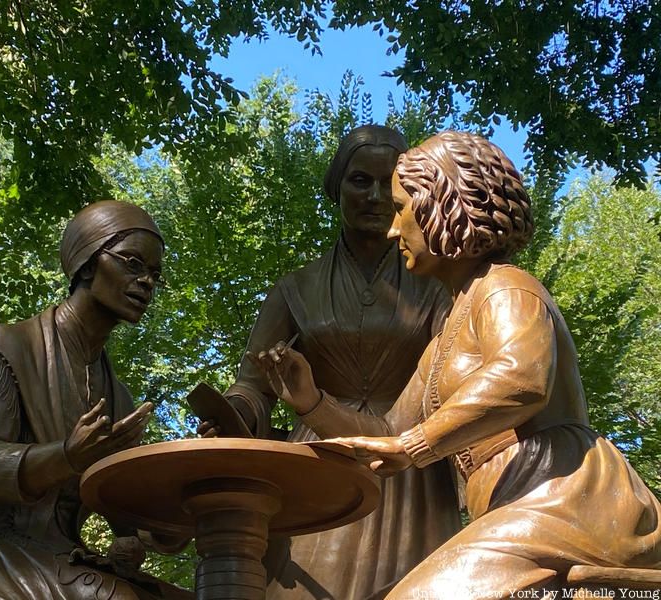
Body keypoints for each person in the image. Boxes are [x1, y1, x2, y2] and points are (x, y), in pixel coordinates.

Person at [255, 132, 661, 598]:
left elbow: (521, 379)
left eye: (403, 209)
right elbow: (387, 433)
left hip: (567, 500)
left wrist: (415, 446)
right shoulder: (446, 337)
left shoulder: (507, 288)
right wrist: (311, 402)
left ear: (441, 207)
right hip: (520, 510)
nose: (392, 229)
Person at [199, 125, 462, 599]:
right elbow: (252, 383)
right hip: (320, 461)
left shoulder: (438, 286)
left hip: (407, 467)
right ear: (336, 187)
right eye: (360, 181)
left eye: (390, 184)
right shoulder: (295, 288)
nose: (376, 196)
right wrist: (232, 414)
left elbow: (454, 380)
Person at [0, 201, 190, 600]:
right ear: (87, 264)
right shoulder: (8, 346)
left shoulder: (118, 395)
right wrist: (65, 456)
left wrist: (181, 509)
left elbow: (124, 511)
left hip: (54, 554)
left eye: (155, 273)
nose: (147, 282)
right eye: (133, 264)